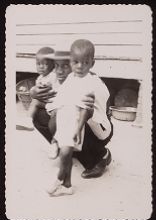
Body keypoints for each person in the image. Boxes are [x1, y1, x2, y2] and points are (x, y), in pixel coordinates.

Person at [30, 45, 113, 186]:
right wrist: (34, 93)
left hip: (98, 128)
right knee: (40, 115)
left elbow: (89, 114)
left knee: (61, 121)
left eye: (65, 66)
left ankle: (101, 156)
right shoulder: (65, 78)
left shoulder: (90, 83)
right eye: (56, 66)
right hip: (79, 121)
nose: (59, 71)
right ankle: (70, 150)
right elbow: (51, 102)